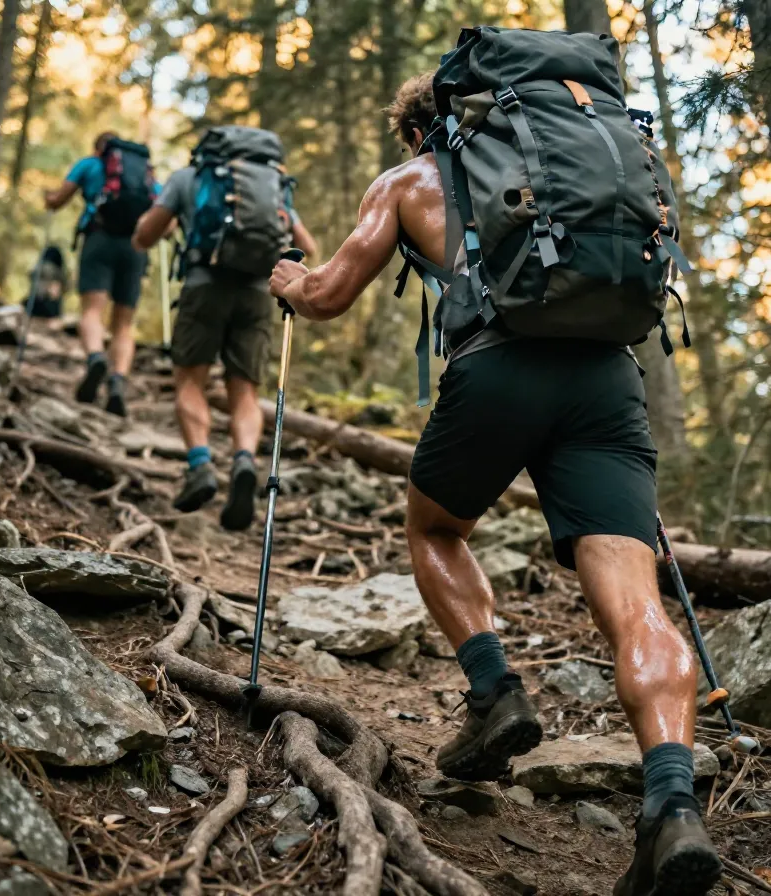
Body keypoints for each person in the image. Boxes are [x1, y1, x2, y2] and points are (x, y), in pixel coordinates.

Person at [268, 72, 721, 896]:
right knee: (637, 603)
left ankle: (496, 691)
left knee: (436, 529)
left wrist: (291, 282)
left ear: (418, 132)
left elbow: (330, 294)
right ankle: (673, 802)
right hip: (608, 380)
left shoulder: (410, 181)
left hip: (498, 368)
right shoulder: (588, 168)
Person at [134, 129, 317, 531]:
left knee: (190, 380)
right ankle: (243, 462)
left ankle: (199, 465)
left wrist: (165, 227)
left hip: (203, 286)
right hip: (256, 292)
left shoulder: (189, 178)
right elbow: (308, 246)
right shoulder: (274, 185)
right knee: (244, 390)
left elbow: (144, 236)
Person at [44, 132, 155, 417]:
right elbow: (164, 220)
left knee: (92, 310)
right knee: (123, 324)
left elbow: (59, 200)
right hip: (135, 246)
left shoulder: (90, 165)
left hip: (99, 238)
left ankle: (95, 358)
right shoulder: (144, 174)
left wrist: (50, 199)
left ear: (99, 148)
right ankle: (117, 381)